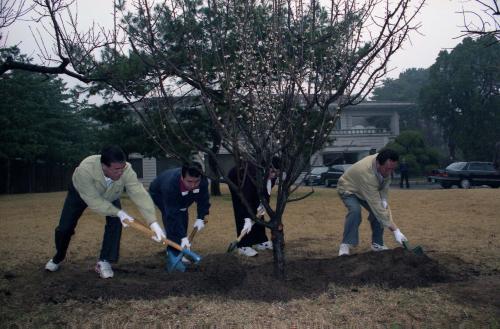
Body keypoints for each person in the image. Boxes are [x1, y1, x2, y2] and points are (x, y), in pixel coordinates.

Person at [45, 145, 166, 279]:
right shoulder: (85, 170)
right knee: (64, 228)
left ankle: (104, 261)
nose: (120, 173)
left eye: (122, 168)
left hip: (110, 194)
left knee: (116, 222)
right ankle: (58, 257)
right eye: (116, 170)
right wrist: (119, 212)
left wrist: (152, 221)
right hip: (82, 193)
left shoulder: (126, 169)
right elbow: (94, 202)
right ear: (104, 166)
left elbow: (138, 193)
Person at [337, 149, 408, 256]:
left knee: (380, 211)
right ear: (379, 164)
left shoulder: (384, 165)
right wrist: (395, 230)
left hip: (364, 189)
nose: (390, 172)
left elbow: (384, 185)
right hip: (348, 187)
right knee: (356, 211)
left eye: (393, 169)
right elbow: (376, 206)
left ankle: (377, 244)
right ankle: (346, 244)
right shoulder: (367, 173)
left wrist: (383, 199)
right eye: (388, 169)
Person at [148, 161, 210, 266]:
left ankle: (179, 247)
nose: (193, 185)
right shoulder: (170, 185)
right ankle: (173, 252)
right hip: (159, 192)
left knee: (182, 211)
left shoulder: (203, 181)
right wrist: (182, 236)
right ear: (182, 177)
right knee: (172, 217)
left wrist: (201, 217)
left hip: (182, 194)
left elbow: (203, 200)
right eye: (189, 181)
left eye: (196, 181)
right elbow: (172, 215)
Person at [227, 158, 280, 257]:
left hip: (254, 184)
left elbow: (266, 189)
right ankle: (243, 245)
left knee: (258, 212)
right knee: (244, 210)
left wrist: (263, 204)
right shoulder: (250, 172)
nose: (273, 175)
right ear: (267, 168)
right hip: (238, 182)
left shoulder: (269, 175)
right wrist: (247, 218)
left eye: (276, 173)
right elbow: (246, 196)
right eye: (272, 172)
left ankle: (261, 241)